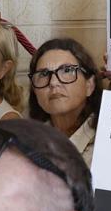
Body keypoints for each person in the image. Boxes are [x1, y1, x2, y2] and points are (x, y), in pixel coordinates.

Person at [28, 36, 101, 164]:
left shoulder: (109, 142)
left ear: (90, 85)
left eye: (67, 70)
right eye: (44, 74)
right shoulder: (27, 141)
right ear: (34, 91)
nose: (53, 83)